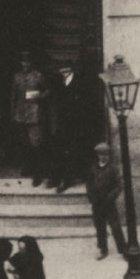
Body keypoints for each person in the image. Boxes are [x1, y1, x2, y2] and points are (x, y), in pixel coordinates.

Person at [46, 58, 99, 191]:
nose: (64, 71)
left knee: (73, 151)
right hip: (61, 122)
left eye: (66, 69)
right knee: (59, 150)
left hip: (76, 123)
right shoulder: (58, 82)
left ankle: (68, 180)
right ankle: (56, 178)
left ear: (72, 69)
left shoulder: (80, 82)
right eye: (61, 69)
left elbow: (86, 103)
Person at [10, 51, 51, 183]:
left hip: (34, 113)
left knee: (36, 143)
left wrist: (39, 96)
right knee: (24, 143)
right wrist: (13, 112)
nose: (25, 64)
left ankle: (38, 173)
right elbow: (13, 96)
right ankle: (28, 167)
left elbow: (48, 90)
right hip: (20, 114)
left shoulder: (38, 75)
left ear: (31, 63)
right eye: (23, 61)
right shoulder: (17, 77)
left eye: (27, 62)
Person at [86, 138, 128, 261]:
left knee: (115, 227)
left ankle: (123, 249)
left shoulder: (113, 169)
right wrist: (91, 196)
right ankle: (103, 249)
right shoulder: (93, 168)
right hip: (97, 202)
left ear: (109, 155)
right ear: (97, 155)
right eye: (101, 154)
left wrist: (110, 197)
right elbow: (88, 183)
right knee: (100, 227)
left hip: (108, 203)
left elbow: (119, 186)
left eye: (105, 154)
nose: (103, 157)